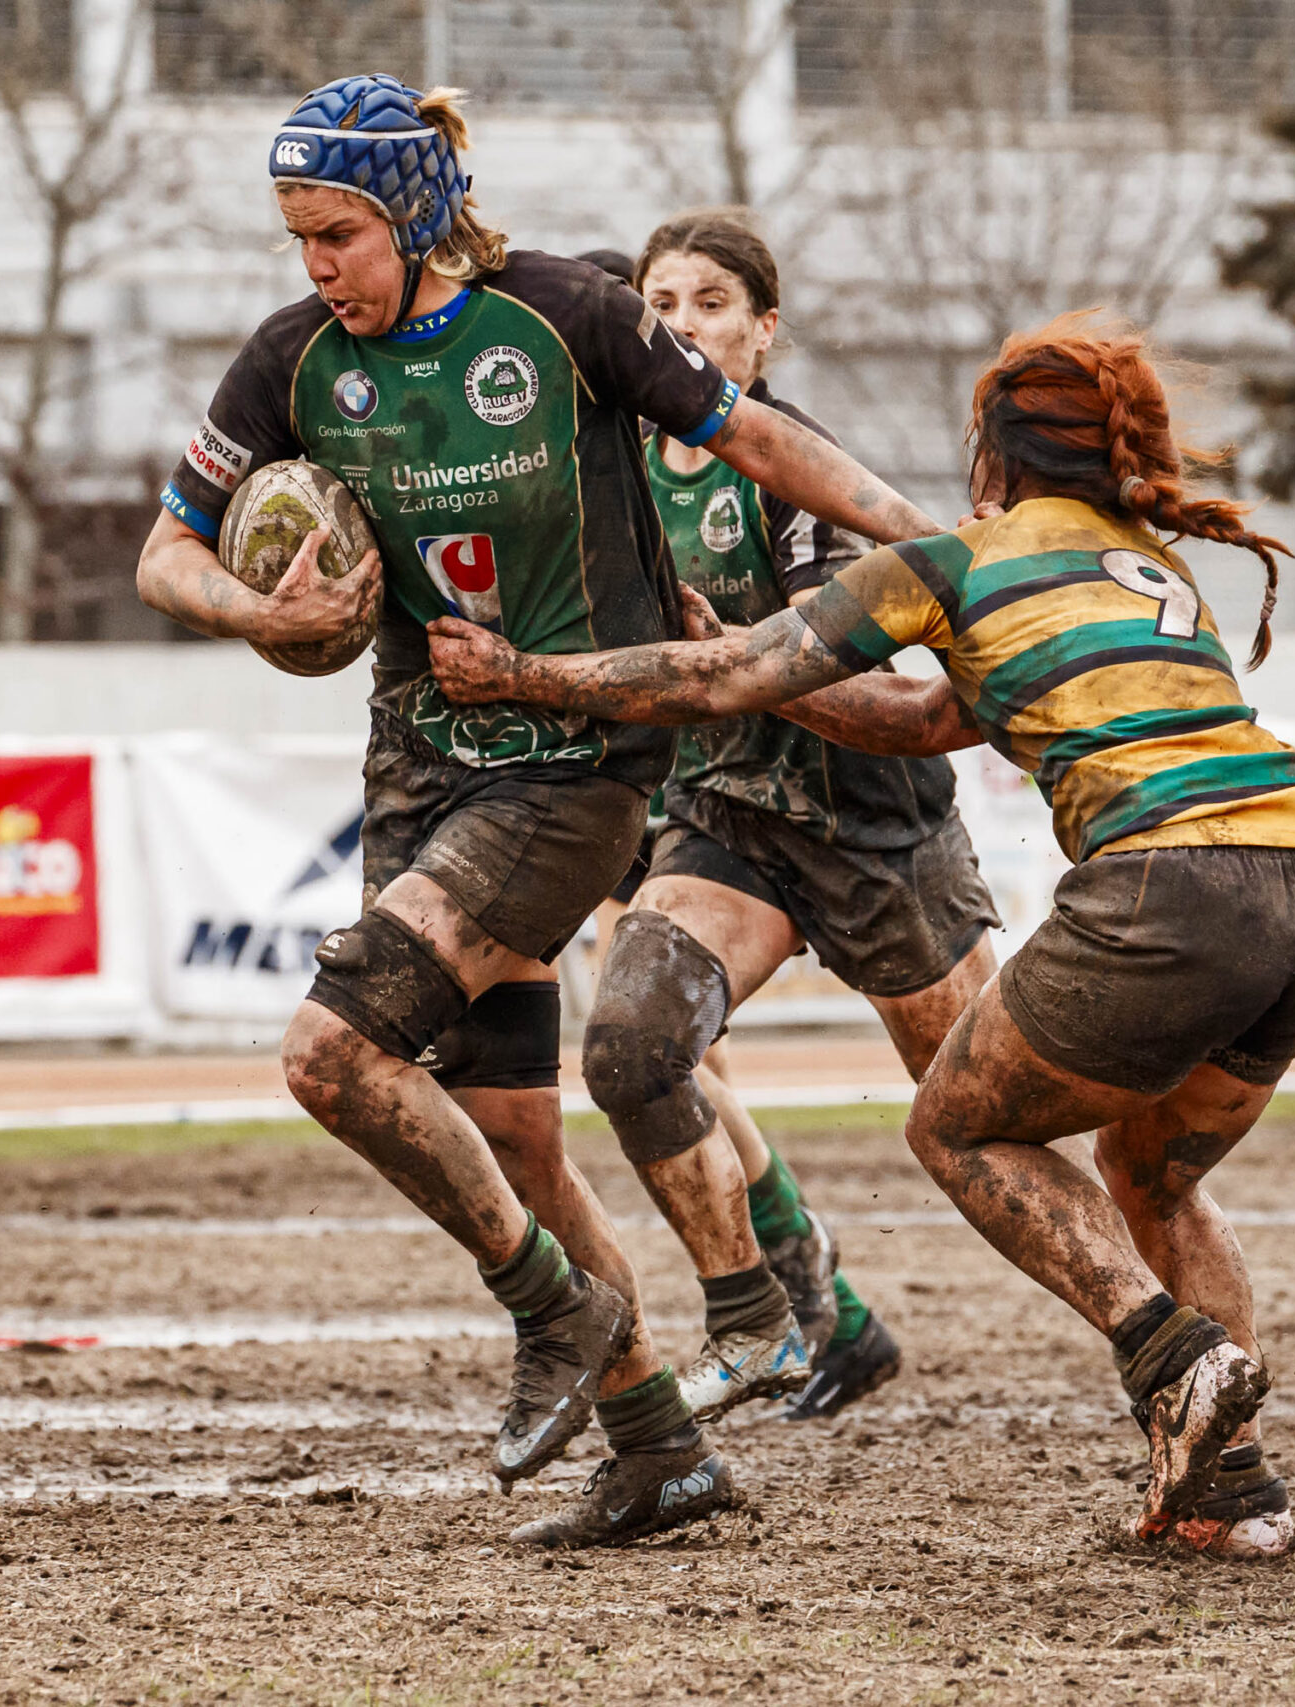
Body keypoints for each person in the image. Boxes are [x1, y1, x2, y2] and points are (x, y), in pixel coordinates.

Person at [136, 73, 942, 1548]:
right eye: (298, 238)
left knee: (331, 1052)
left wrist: (924, 539)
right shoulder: (293, 362)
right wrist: (253, 600)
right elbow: (163, 553)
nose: (317, 266)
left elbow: (757, 437)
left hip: (576, 767)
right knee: (508, 1126)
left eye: (339, 235)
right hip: (417, 762)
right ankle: (654, 1441)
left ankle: (556, 1312)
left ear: (418, 216)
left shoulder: (569, 314)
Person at [425, 311, 1295, 1560]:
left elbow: (729, 688)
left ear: (993, 455)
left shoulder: (953, 559)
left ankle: (1172, 1352)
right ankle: (1228, 1493)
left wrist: (523, 674)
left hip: (1174, 887)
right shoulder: (1146, 566)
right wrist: (729, 652)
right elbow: (925, 724)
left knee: (956, 1122)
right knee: (1152, 1174)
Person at [601, 211, 1000, 1423]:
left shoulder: (787, 460)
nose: (681, 327)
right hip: (718, 809)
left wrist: (753, 662)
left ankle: (1163, 1335)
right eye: (657, 306)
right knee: (645, 1045)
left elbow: (845, 664)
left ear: (763, 333)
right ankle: (797, 1306)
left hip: (868, 821)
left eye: (710, 303)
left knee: (988, 1115)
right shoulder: (610, 469)